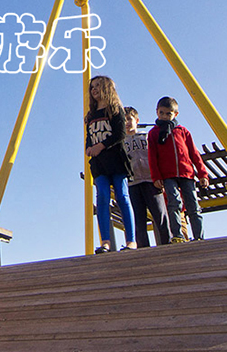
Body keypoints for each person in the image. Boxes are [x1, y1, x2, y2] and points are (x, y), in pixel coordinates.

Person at [85, 75, 137, 253]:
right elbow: (89, 136)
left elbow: (120, 134)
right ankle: (105, 242)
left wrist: (101, 146)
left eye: (98, 85)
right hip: (99, 164)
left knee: (122, 196)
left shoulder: (115, 109)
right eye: (92, 87)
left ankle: (131, 240)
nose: (94, 89)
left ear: (107, 87)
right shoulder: (91, 115)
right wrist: (89, 148)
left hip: (116, 160)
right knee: (102, 199)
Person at [147, 96, 209, 242]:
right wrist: (156, 177)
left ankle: (199, 236)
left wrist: (202, 174)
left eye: (168, 113)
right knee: (174, 203)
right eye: (161, 113)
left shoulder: (183, 131)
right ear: (157, 112)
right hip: (168, 176)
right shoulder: (154, 133)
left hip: (186, 174)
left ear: (175, 114)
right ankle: (177, 235)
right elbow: (152, 157)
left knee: (193, 204)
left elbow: (194, 154)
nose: (164, 116)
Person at [124, 106, 170, 247]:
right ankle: (143, 248)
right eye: (123, 120)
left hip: (151, 180)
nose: (126, 122)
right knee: (138, 219)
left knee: (160, 215)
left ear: (136, 120)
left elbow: (157, 156)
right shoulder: (121, 143)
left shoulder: (146, 136)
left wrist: (159, 177)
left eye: (129, 119)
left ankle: (167, 244)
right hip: (133, 183)